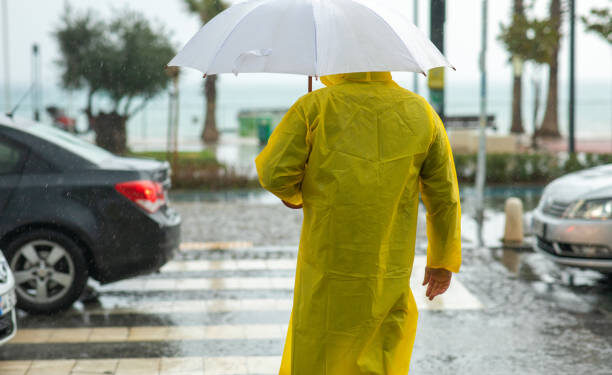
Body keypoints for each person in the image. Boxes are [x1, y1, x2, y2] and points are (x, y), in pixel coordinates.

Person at [255, 71, 461, 374]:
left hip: (326, 274)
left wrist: (296, 194)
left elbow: (275, 173)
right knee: (380, 358)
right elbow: (444, 196)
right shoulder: (422, 113)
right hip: (387, 273)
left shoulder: (315, 107)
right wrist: (441, 261)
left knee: (318, 356)